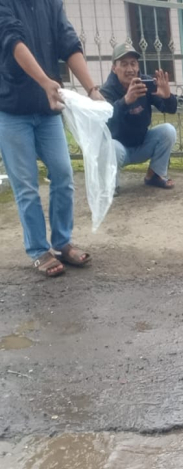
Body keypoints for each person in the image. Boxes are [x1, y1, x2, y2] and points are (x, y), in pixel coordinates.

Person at [0, 0, 103, 277]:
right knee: (26, 185)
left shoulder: (51, 3)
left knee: (63, 174)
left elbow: (68, 42)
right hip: (11, 109)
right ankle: (38, 250)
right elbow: (13, 40)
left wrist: (91, 89)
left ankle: (62, 242)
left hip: (47, 110)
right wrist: (45, 81)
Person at [100, 43, 178, 192]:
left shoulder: (145, 83)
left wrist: (168, 97)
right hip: (119, 149)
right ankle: (111, 185)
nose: (130, 69)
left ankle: (155, 175)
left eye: (133, 64)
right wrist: (125, 102)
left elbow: (171, 109)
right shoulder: (106, 91)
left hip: (142, 144)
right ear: (114, 68)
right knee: (110, 146)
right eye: (124, 64)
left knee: (168, 131)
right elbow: (106, 121)